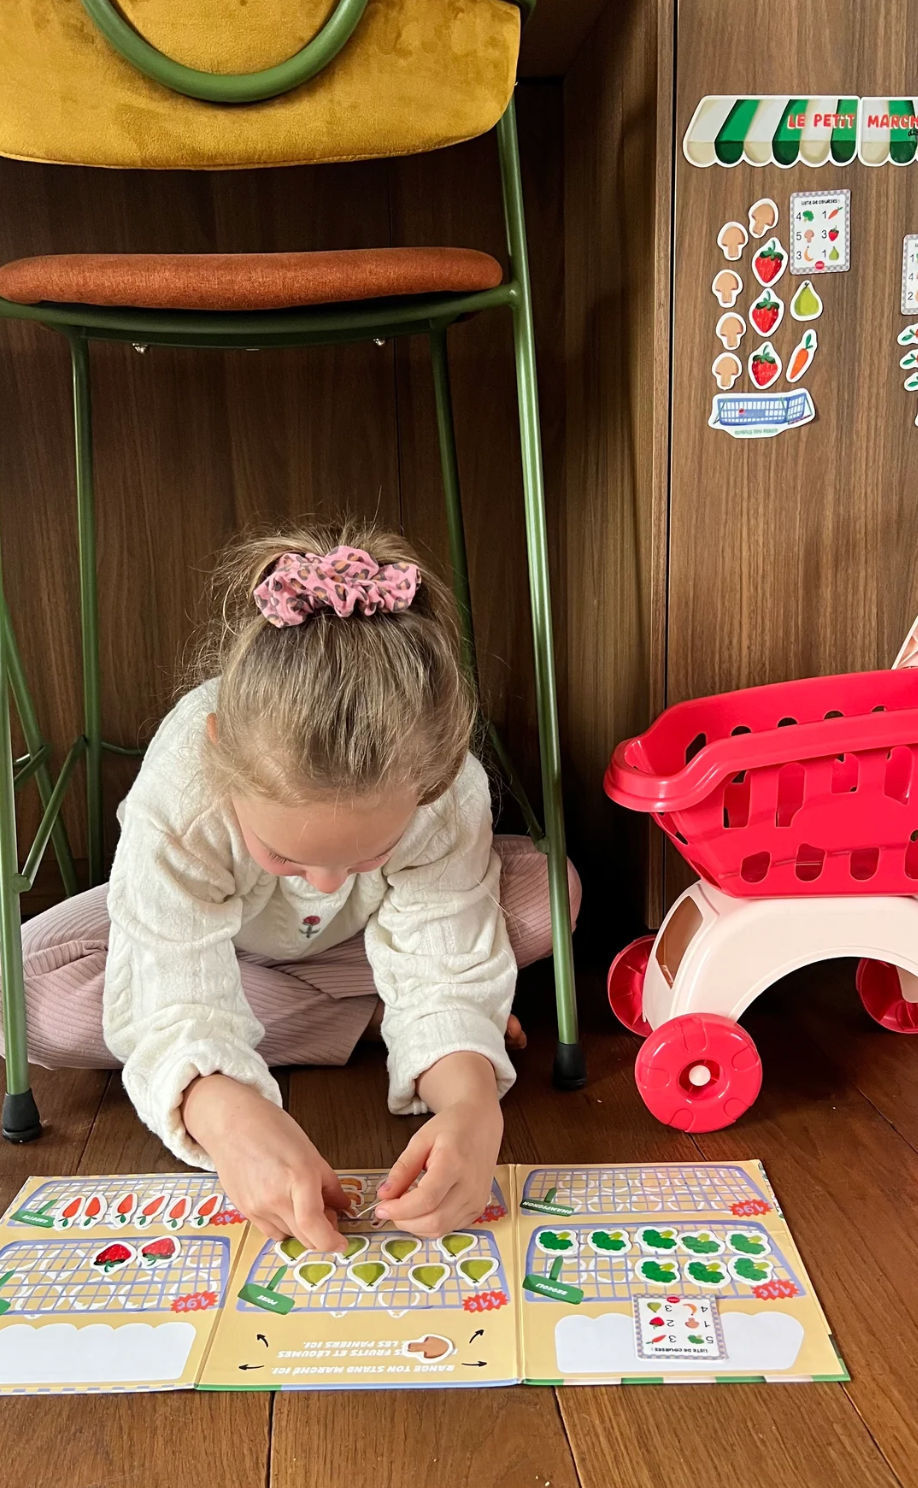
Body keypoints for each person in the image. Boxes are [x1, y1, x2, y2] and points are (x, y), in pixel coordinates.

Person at [18, 521, 579, 1250]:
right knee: (21, 993)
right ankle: (378, 1019)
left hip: (356, 941)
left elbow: (447, 959)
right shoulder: (185, 783)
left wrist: (472, 1105)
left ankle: (367, 1019)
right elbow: (166, 975)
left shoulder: (446, 787)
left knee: (550, 893)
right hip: (225, 943)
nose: (326, 881)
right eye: (285, 854)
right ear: (219, 757)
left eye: (370, 852)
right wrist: (221, 1109)